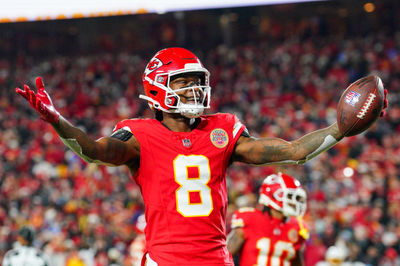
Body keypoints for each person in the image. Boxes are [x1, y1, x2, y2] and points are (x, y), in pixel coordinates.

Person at [15, 47, 388, 265]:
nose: (195, 89)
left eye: (197, 81)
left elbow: (293, 154)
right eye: (184, 81)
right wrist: (58, 121)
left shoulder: (221, 129)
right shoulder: (140, 134)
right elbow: (94, 153)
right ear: (157, 88)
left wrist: (340, 129)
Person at [227, 172, 308, 266]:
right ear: (272, 195)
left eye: (297, 198)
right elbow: (225, 255)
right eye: (289, 196)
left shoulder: (297, 226)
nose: (294, 202)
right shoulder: (250, 218)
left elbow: (297, 261)